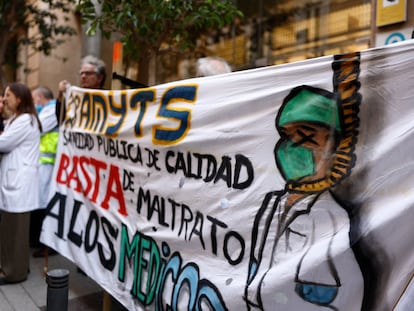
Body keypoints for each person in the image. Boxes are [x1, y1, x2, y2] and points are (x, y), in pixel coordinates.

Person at [244, 85, 364, 310]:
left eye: (306, 136)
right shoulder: (273, 202)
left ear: (332, 146)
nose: (292, 147)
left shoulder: (330, 215)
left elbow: (348, 293)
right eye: (287, 136)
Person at [0, 82, 42, 284]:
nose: (4, 98)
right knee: (11, 230)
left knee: (16, 232)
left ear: (20, 98)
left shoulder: (25, 120)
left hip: (19, 185)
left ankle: (14, 274)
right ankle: (13, 267)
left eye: (8, 95)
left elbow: (3, 143)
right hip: (14, 182)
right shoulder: (17, 119)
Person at [30, 86, 59, 258]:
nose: (34, 104)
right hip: (43, 164)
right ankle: (40, 241)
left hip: (48, 165)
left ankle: (47, 244)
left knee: (44, 204)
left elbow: (36, 130)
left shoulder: (52, 110)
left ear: (39, 97)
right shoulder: (49, 110)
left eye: (34, 100)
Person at [56, 54, 107, 124]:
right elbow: (62, 120)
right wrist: (61, 95)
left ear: (99, 78)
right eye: (81, 73)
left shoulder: (108, 98)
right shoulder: (76, 97)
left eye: (88, 73)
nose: (83, 76)